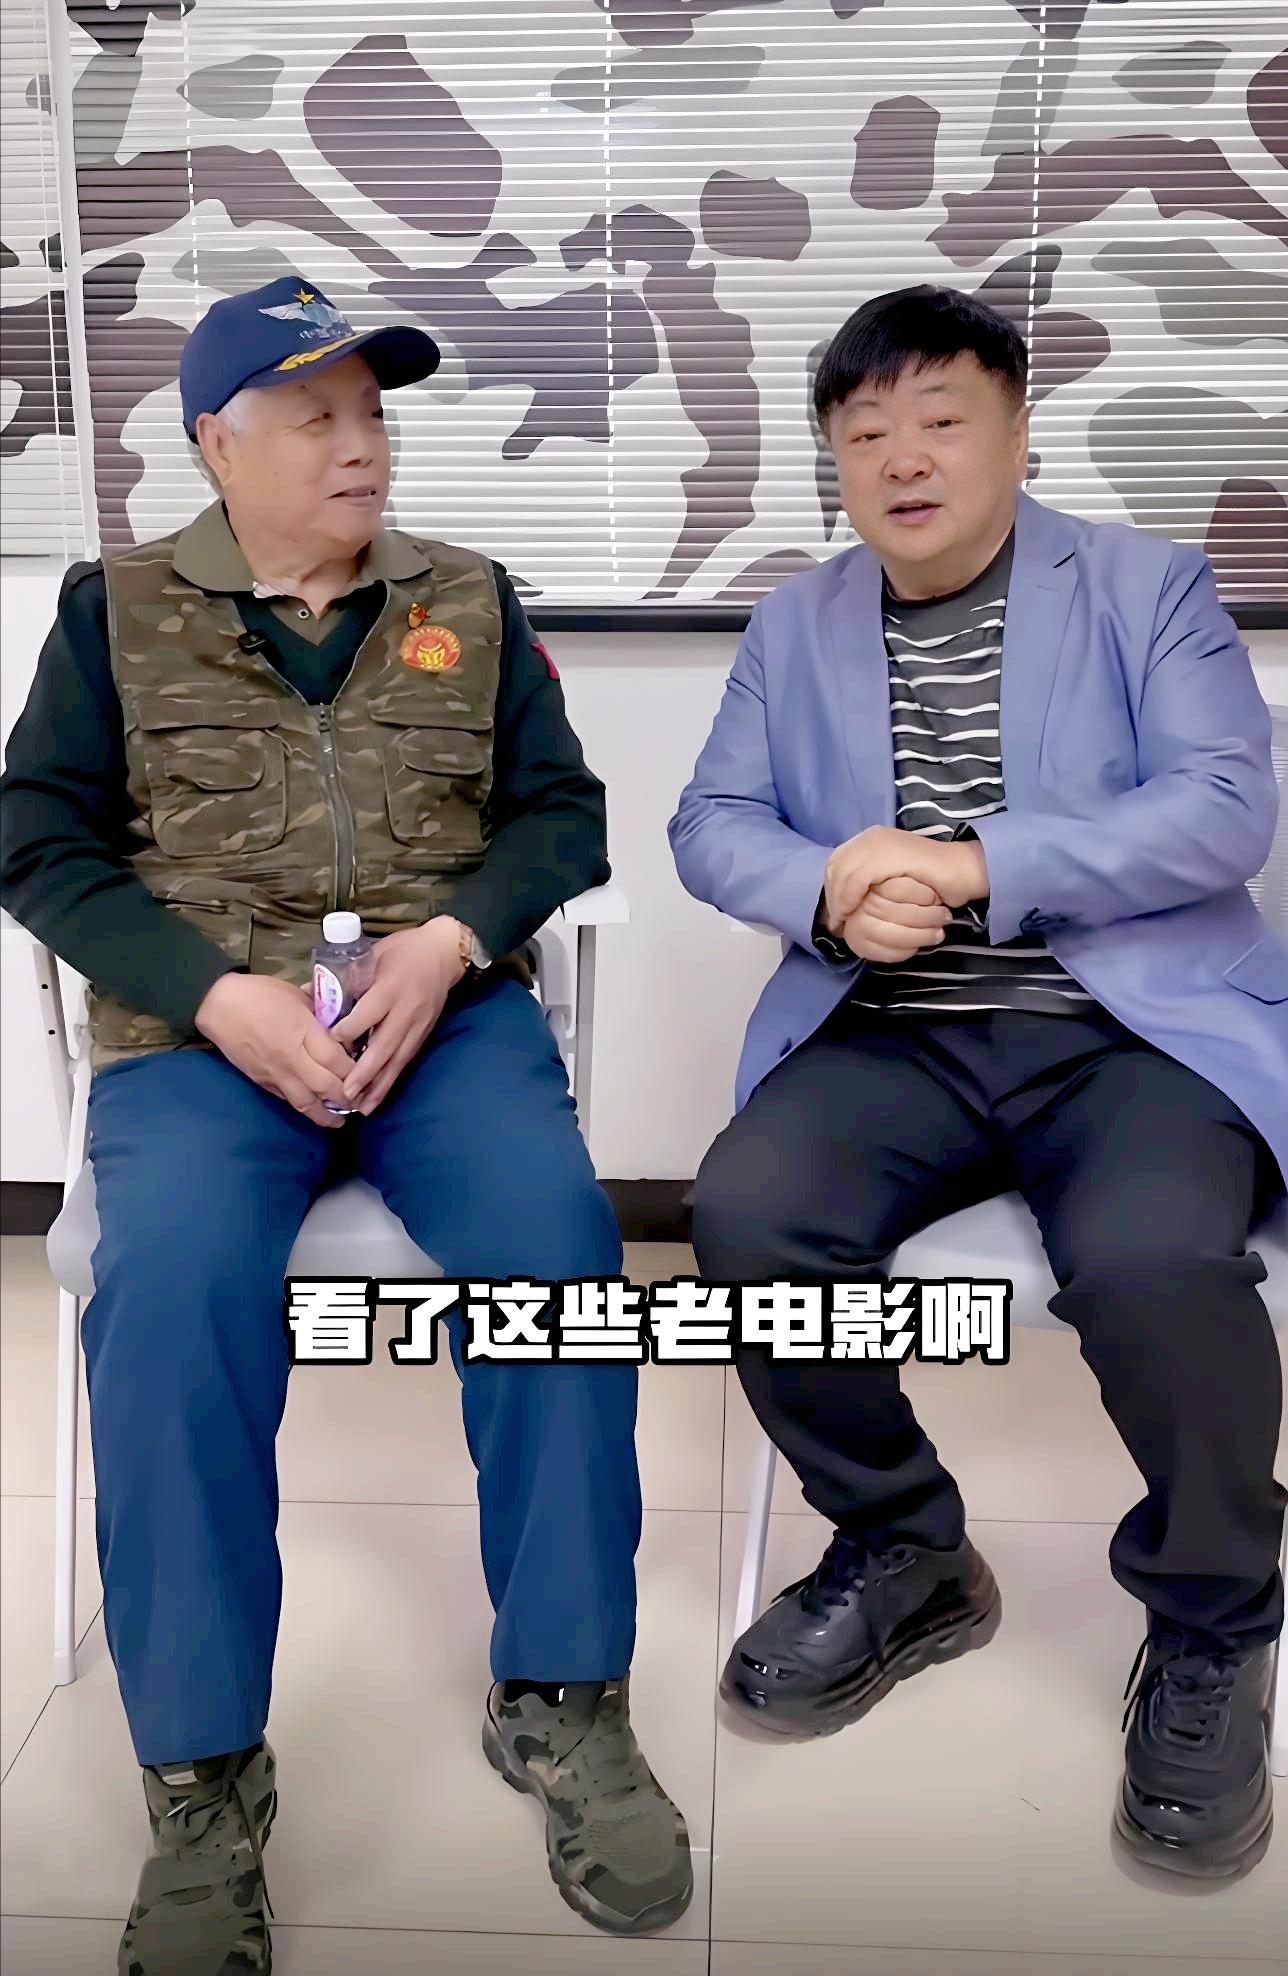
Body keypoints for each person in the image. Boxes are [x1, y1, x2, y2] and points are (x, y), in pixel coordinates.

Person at [0, 275, 692, 1972]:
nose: (360, 445)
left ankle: (563, 1695)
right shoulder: (116, 610)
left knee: (559, 1263)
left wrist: (451, 942)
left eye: (372, 413)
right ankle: (202, 1778)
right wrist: (211, 992)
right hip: (205, 1039)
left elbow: (563, 817)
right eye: (314, 415)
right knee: (170, 1297)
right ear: (215, 444)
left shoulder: (467, 597)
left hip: (438, 1023)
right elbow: (37, 841)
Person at [671, 284, 1286, 1881]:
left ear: (1018, 435)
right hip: (896, 1036)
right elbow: (711, 825)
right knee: (748, 1215)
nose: (903, 458)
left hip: (1129, 1037)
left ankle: (1213, 1621)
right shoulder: (795, 623)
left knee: (1154, 1261)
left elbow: (1225, 807)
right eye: (865, 433)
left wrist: (972, 862)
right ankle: (905, 1547)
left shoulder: (1148, 585)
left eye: (942, 420)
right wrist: (824, 886)